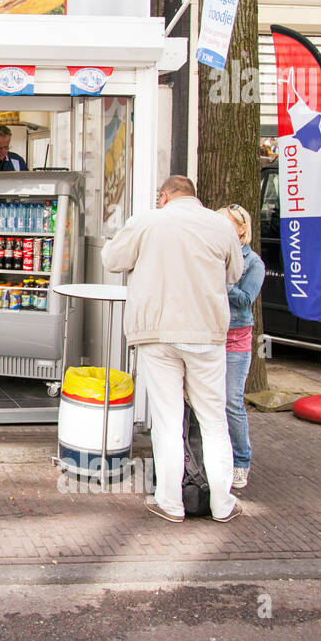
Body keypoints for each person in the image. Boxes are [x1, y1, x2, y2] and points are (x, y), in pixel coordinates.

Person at [101, 174, 244, 523]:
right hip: (205, 334)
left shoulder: (147, 221)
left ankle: (170, 503)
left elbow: (111, 259)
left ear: (164, 196)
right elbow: (234, 274)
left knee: (166, 420)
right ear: (193, 196)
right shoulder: (220, 225)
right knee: (213, 421)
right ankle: (223, 504)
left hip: (157, 333)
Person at [218, 204, 265, 490]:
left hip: (236, 337)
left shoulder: (254, 263)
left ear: (241, 228)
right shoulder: (215, 255)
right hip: (212, 334)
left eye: (227, 224)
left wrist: (221, 281)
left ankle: (241, 462)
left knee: (232, 401)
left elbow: (245, 299)